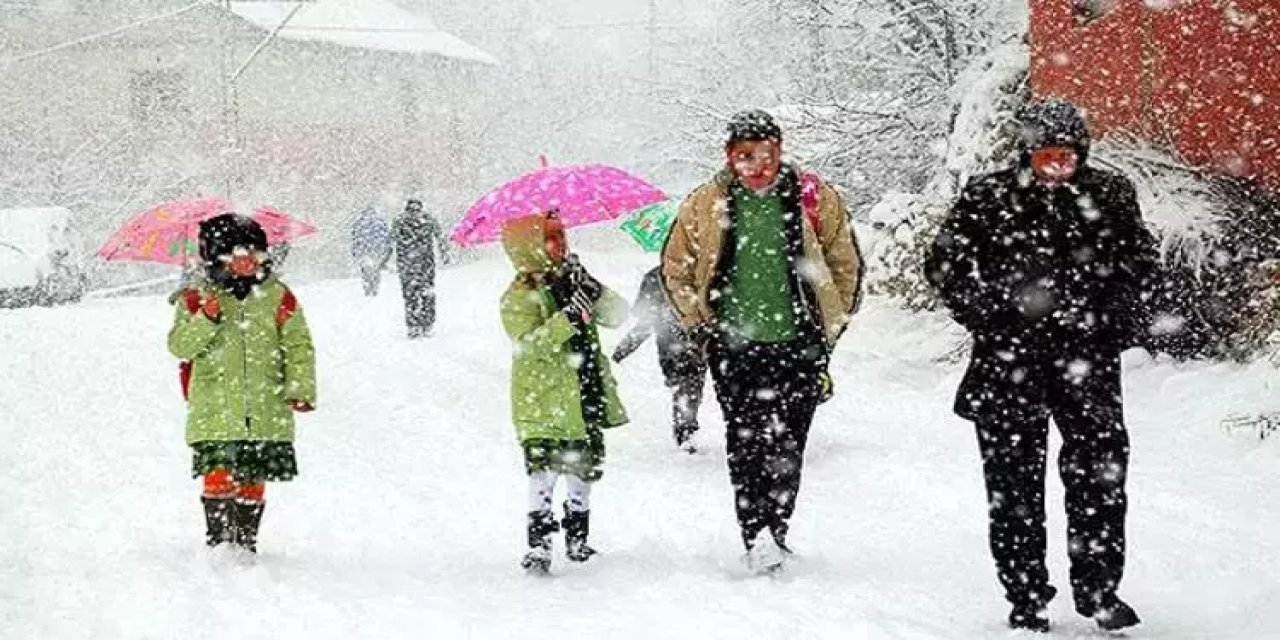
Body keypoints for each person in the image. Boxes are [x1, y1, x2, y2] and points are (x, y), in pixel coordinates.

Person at [924, 98, 1157, 633]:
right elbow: (944, 265)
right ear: (1026, 153)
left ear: (1083, 153)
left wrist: (1119, 321)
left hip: (1088, 364)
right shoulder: (987, 197)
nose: (1056, 165)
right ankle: (1026, 595)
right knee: (1013, 490)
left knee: (1100, 480)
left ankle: (1100, 591)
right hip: (1008, 365)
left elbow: (1141, 265)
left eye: (1067, 155)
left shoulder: (1111, 194)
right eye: (1045, 155)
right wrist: (987, 312)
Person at [661, 110, 862, 573]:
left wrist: (831, 322)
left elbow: (844, 259)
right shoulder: (705, 203)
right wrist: (701, 322)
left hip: (799, 342)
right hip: (734, 346)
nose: (757, 165)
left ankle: (779, 527)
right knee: (746, 440)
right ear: (729, 157)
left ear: (780, 150)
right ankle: (756, 533)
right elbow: (676, 266)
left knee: (791, 441)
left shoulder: (815, 198)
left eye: (766, 154)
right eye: (744, 156)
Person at [168, 213, 317, 555]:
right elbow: (180, 346)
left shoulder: (278, 296)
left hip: (265, 405)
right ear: (218, 257)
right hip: (215, 405)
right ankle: (220, 541)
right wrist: (206, 317)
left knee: (252, 473)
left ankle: (246, 540)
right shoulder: (197, 297)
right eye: (239, 255)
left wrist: (300, 388)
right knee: (218, 470)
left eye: (256, 254)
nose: (249, 261)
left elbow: (298, 345)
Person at [499, 211, 629, 574]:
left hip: (584, 386)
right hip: (545, 398)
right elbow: (528, 344)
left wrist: (592, 288)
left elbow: (618, 314)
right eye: (549, 238)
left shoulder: (572, 281)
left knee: (582, 468)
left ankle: (578, 537)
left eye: (562, 236)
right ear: (528, 247)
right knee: (543, 470)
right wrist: (567, 319)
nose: (560, 244)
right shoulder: (518, 296)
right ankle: (539, 544)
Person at [612, 266, 708, 452]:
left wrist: (623, 350)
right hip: (691, 343)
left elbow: (645, 323)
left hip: (674, 346)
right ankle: (686, 428)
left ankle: (685, 428)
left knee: (685, 387)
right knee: (690, 386)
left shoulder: (655, 277)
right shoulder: (698, 273)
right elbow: (646, 322)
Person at [393, 198, 447, 338]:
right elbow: (440, 237)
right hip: (424, 263)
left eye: (416, 211)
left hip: (409, 264)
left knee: (413, 294)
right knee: (425, 293)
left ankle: (415, 325)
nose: (414, 214)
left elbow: (390, 240)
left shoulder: (400, 221)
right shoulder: (427, 221)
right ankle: (424, 324)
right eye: (413, 211)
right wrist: (444, 252)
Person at [350, 206, 391, 296]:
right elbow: (385, 237)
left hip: (363, 251)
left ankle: (367, 286)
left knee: (365, 270)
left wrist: (355, 251)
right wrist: (386, 250)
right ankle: (375, 286)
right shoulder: (380, 222)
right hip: (377, 250)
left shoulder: (359, 223)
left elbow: (355, 238)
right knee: (376, 269)